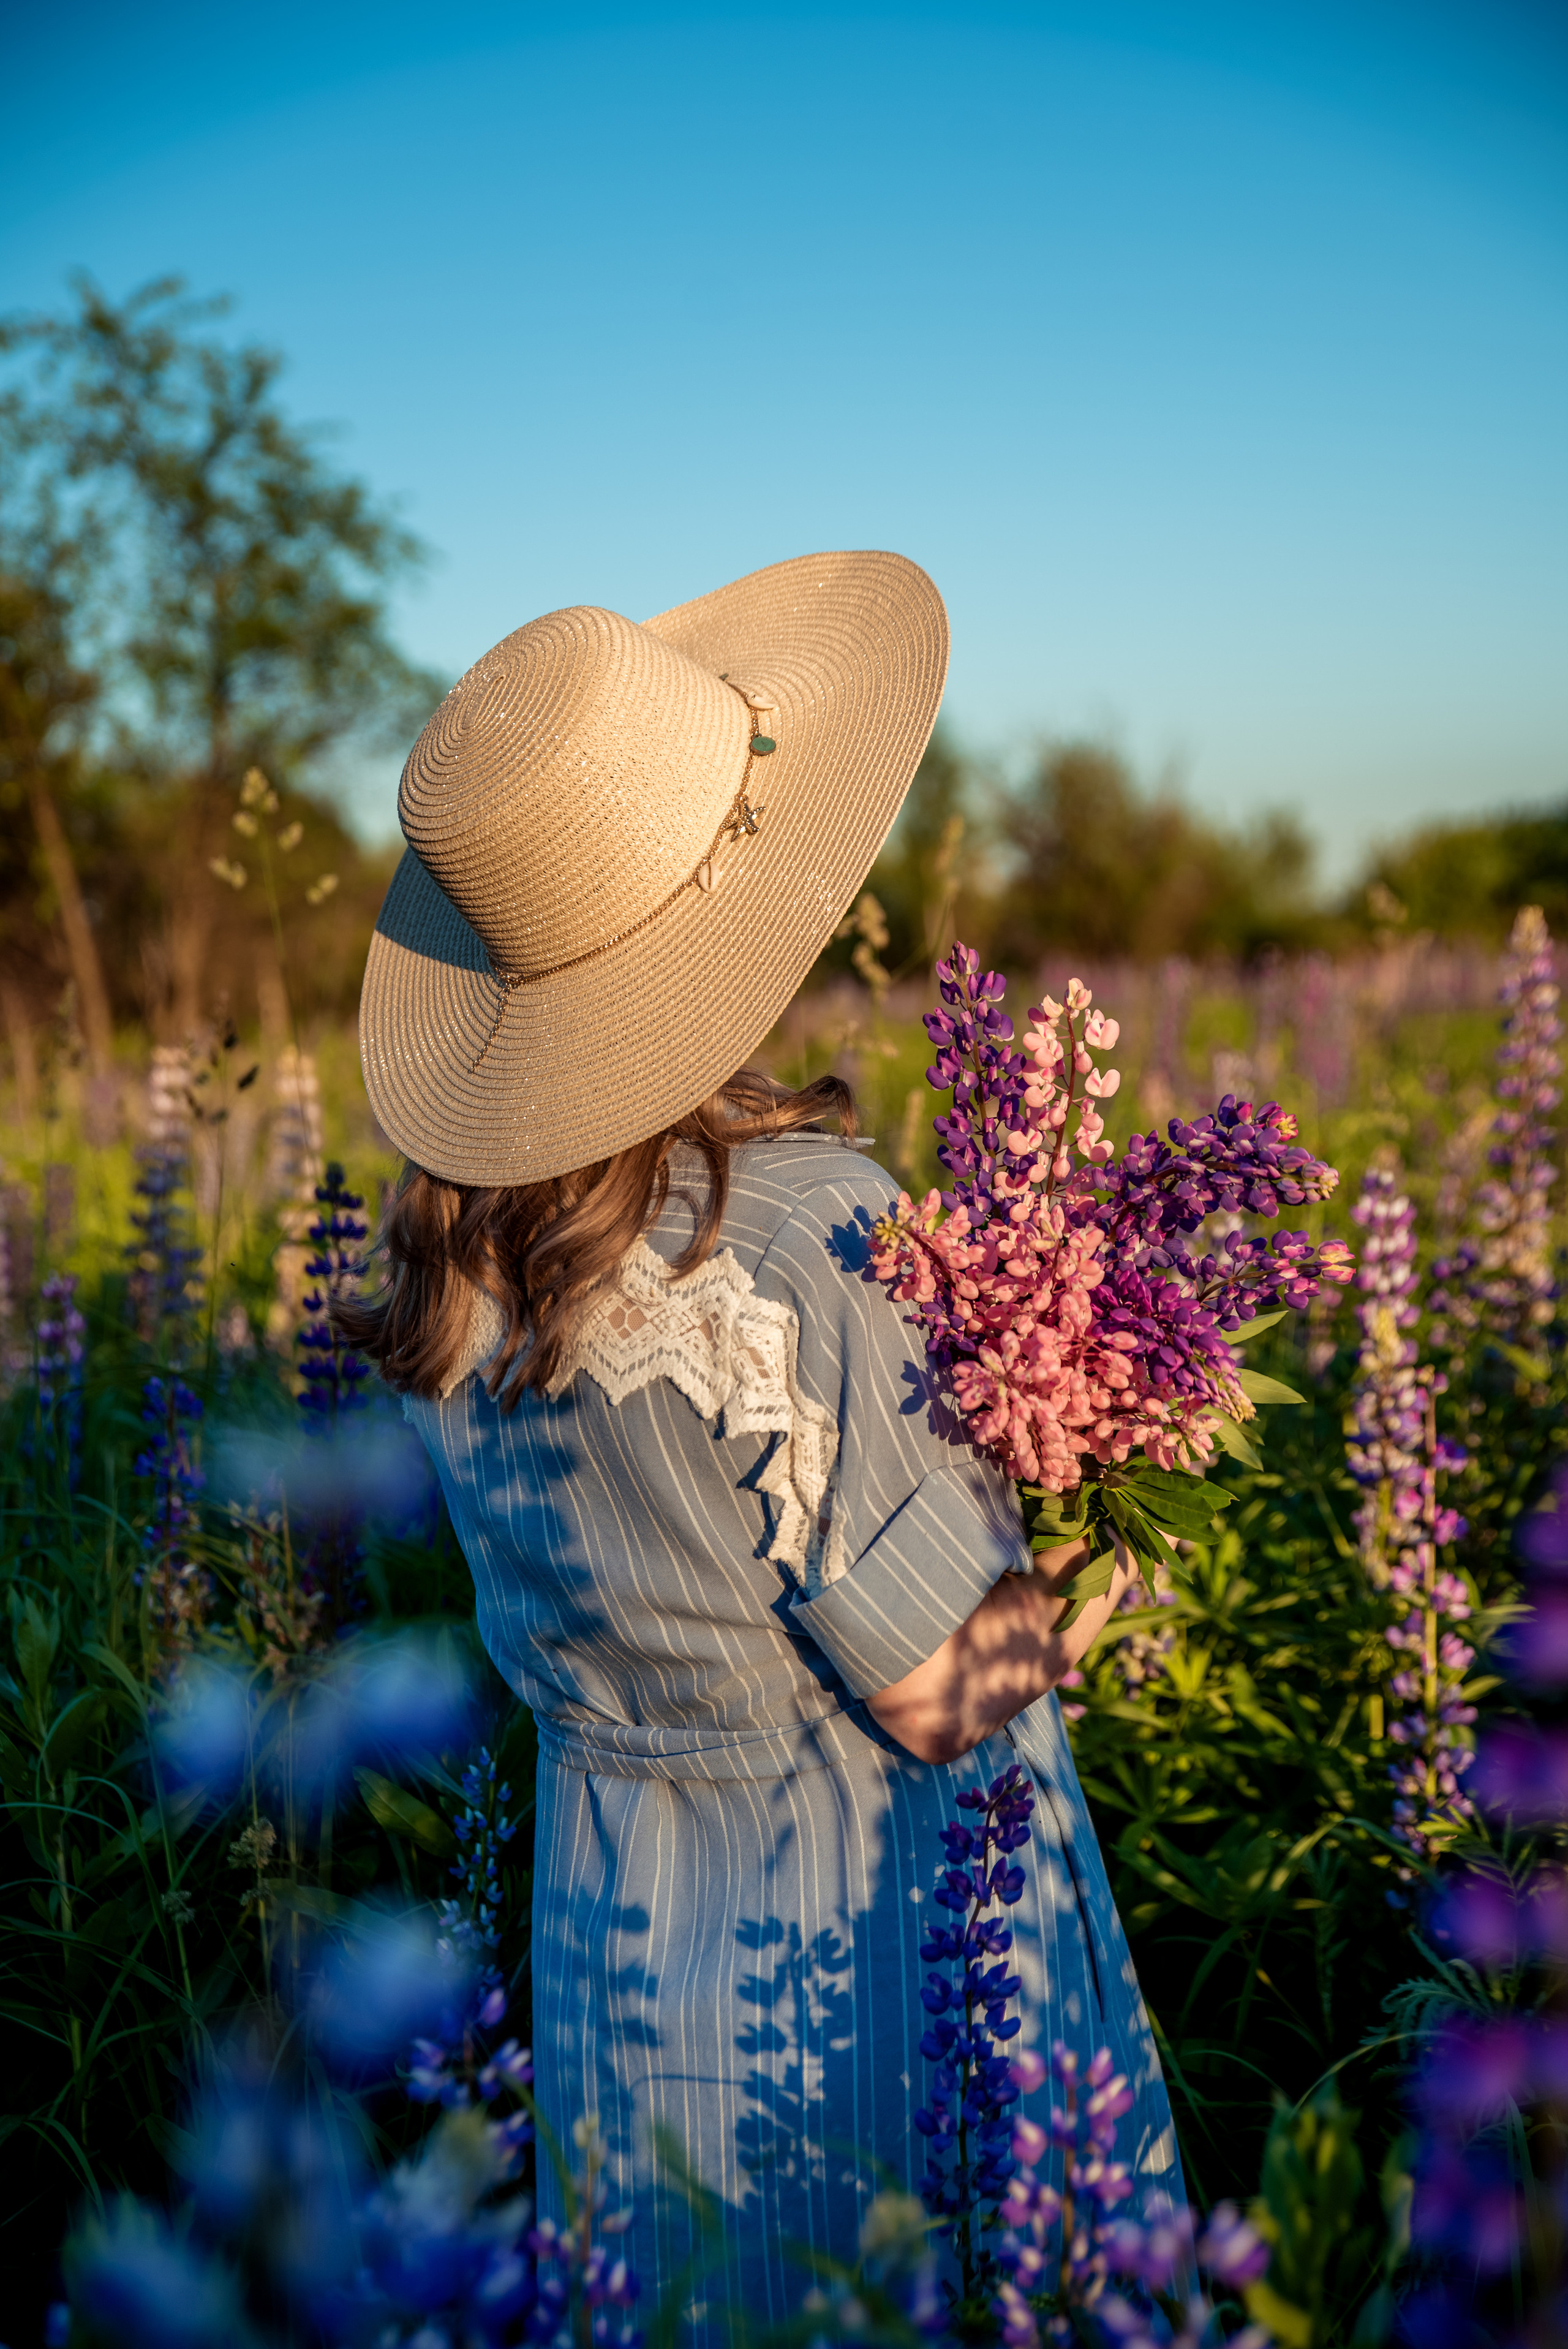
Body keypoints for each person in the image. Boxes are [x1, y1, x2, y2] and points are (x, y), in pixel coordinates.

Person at [345, 553, 1182, 2331]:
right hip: (866, 1935)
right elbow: (948, 1687)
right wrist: (1093, 1567)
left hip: (618, 1949)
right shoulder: (804, 1232)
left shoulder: (452, 1262)